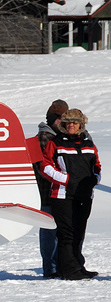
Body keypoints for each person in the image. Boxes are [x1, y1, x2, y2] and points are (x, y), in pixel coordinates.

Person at [40, 108, 101, 281]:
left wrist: (94, 179)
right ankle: (68, 270)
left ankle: (77, 266)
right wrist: (65, 179)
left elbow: (97, 166)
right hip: (62, 195)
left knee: (79, 232)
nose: (71, 125)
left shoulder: (89, 144)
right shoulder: (56, 142)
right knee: (66, 233)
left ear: (81, 124)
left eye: (75, 122)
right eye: (68, 122)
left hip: (84, 195)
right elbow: (45, 166)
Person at [34, 100, 67, 277]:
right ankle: (50, 267)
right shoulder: (44, 138)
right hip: (46, 192)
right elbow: (44, 167)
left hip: (61, 192)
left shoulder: (58, 137)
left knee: (60, 230)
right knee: (49, 231)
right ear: (53, 119)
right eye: (61, 119)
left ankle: (59, 264)